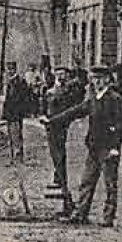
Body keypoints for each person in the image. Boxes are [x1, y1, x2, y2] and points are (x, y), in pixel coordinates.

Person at [41, 65, 122, 227]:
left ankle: (108, 217)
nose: (95, 82)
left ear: (107, 80)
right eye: (93, 79)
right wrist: (52, 121)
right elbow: (74, 112)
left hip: (108, 148)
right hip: (94, 147)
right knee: (86, 182)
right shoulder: (92, 99)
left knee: (110, 184)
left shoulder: (115, 99)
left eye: (99, 79)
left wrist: (115, 148)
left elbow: (121, 126)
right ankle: (81, 214)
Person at [44, 67, 86, 217]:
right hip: (54, 130)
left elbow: (75, 110)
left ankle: (69, 201)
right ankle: (66, 199)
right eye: (59, 73)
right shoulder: (49, 91)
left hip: (66, 129)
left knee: (68, 165)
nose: (62, 76)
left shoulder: (72, 91)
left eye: (64, 74)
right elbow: (45, 110)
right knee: (59, 162)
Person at [0, 63, 38, 163]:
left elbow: (24, 97)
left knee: (16, 133)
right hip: (10, 112)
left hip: (17, 112)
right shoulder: (10, 82)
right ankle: (13, 156)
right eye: (9, 69)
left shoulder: (20, 81)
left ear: (15, 70)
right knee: (11, 134)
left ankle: (18, 155)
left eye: (11, 69)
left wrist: (23, 111)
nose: (10, 71)